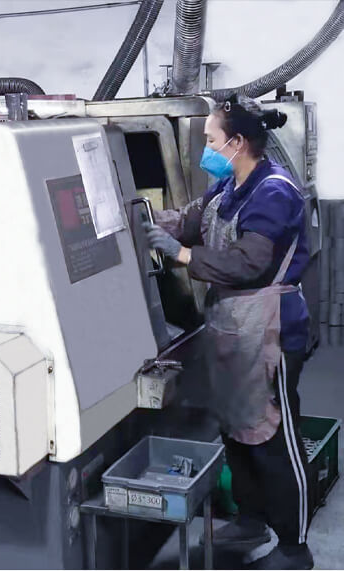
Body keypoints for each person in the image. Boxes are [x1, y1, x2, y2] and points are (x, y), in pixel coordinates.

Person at [143, 94, 313, 570]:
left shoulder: (274, 192)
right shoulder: (230, 186)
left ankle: (295, 548)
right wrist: (141, 219)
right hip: (232, 325)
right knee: (238, 429)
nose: (207, 148)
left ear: (237, 142)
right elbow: (191, 220)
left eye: (211, 140)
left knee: (275, 438)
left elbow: (248, 263)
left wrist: (182, 255)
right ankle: (251, 519)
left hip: (268, 328)